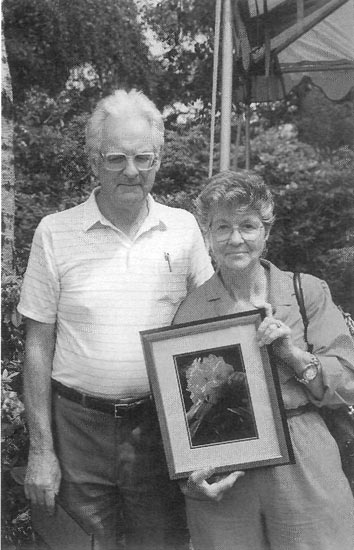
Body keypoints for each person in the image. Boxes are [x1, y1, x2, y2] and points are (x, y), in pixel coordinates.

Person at [18, 89, 214, 550]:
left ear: (159, 159)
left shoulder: (184, 228)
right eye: (116, 158)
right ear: (93, 161)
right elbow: (37, 345)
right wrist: (42, 449)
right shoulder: (55, 231)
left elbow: (212, 325)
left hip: (159, 426)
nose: (131, 171)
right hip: (76, 430)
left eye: (144, 157)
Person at [173, 170, 354, 550]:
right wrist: (192, 475)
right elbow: (180, 412)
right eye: (222, 227)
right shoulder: (190, 311)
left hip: (304, 453)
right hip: (227, 459)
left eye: (248, 225)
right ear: (207, 236)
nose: (236, 238)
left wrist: (292, 354)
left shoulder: (306, 291)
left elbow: (349, 381)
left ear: (266, 232)